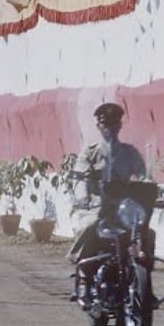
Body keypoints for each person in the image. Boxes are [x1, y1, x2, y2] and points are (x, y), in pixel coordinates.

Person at [66, 103, 150, 305]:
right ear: (98, 126)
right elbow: (81, 177)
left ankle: (144, 285)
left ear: (120, 126)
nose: (110, 128)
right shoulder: (90, 153)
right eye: (106, 125)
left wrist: (152, 191)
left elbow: (144, 175)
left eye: (114, 124)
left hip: (123, 209)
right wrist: (83, 195)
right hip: (96, 206)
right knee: (90, 225)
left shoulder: (130, 152)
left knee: (147, 232)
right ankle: (83, 276)